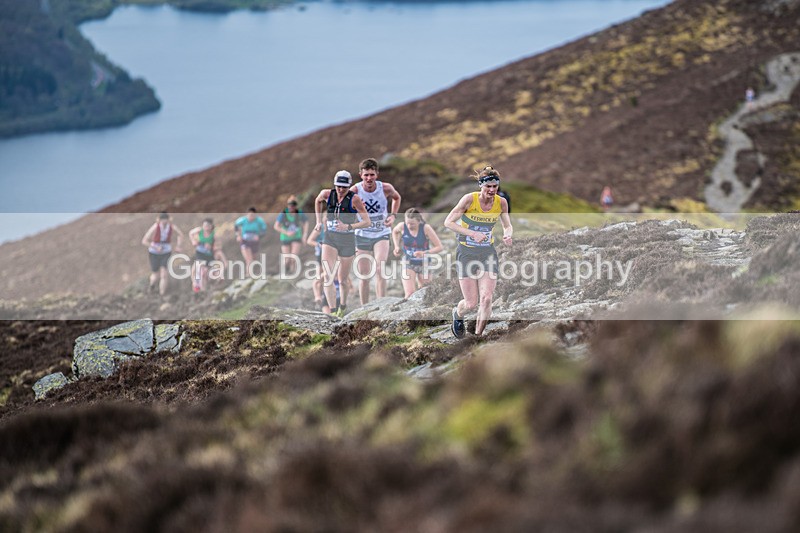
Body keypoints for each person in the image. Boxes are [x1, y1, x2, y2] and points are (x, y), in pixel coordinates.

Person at [444, 165, 512, 338]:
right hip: (466, 253)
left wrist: (507, 235)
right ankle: (457, 314)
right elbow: (448, 222)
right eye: (488, 186)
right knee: (471, 304)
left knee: (487, 298)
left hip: (487, 253)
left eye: (495, 186)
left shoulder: (501, 202)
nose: (492, 190)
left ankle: (477, 336)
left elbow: (507, 225)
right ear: (481, 185)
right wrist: (472, 233)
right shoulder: (469, 200)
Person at [314, 170, 372, 317]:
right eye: (338, 186)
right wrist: (318, 221)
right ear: (334, 185)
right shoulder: (327, 194)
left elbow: (367, 222)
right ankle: (333, 312)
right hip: (330, 238)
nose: (340, 190)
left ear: (349, 186)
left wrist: (349, 226)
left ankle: (343, 305)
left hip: (347, 240)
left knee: (343, 280)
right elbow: (317, 201)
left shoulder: (355, 199)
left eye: (344, 187)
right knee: (328, 276)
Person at [350, 157, 402, 305]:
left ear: (377, 174)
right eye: (366, 175)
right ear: (361, 175)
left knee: (380, 269)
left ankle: (381, 305)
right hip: (362, 235)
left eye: (372, 174)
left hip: (381, 233)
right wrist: (354, 208)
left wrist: (393, 215)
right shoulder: (355, 191)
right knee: (364, 275)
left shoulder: (385, 188)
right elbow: (343, 207)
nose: (369, 178)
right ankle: (364, 308)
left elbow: (397, 198)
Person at [391, 208, 443, 298]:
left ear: (419, 221)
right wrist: (396, 246)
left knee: (425, 294)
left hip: (424, 263)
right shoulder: (402, 226)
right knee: (409, 294)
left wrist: (424, 253)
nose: (409, 226)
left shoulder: (426, 228)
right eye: (407, 223)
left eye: (412, 224)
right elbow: (395, 232)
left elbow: (439, 247)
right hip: (408, 262)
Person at [141, 212, 185, 296]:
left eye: (165, 220)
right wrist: (155, 247)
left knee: (164, 274)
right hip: (154, 252)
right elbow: (144, 241)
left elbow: (180, 235)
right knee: (155, 274)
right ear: (159, 220)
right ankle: (152, 286)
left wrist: (178, 246)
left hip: (166, 252)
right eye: (162, 220)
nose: (164, 221)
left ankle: (162, 294)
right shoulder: (155, 227)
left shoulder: (172, 227)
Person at [188, 218, 227, 292]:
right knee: (196, 268)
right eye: (204, 225)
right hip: (200, 253)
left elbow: (219, 246)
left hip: (209, 255)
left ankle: (204, 289)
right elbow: (190, 233)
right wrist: (193, 241)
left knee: (204, 273)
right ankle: (195, 284)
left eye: (208, 226)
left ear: (211, 226)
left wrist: (212, 247)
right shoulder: (199, 230)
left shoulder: (214, 235)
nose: (206, 227)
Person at [274, 195, 309, 274]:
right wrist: (286, 232)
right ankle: (283, 272)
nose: (291, 208)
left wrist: (305, 235)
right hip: (285, 237)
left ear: (295, 206)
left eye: (293, 206)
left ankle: (293, 273)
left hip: (296, 236)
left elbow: (306, 222)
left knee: (294, 258)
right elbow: (276, 226)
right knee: (287, 259)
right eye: (290, 206)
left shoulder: (299, 213)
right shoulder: (283, 213)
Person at [234, 207, 267, 275]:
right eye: (249, 215)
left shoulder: (259, 221)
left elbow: (264, 230)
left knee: (254, 258)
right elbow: (236, 226)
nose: (251, 217)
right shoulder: (242, 220)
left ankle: (252, 273)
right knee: (249, 259)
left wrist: (259, 236)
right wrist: (238, 235)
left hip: (254, 242)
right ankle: (248, 274)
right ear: (247, 215)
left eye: (252, 215)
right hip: (245, 241)